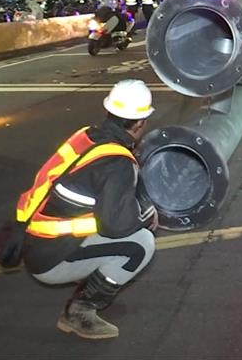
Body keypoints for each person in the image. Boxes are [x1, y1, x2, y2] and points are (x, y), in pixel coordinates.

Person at [18, 79, 158, 339]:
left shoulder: (86, 136)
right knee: (141, 244)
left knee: (120, 228)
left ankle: (87, 276)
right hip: (50, 259)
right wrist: (146, 214)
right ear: (140, 123)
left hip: (33, 239)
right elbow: (118, 225)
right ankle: (79, 311)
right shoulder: (117, 162)